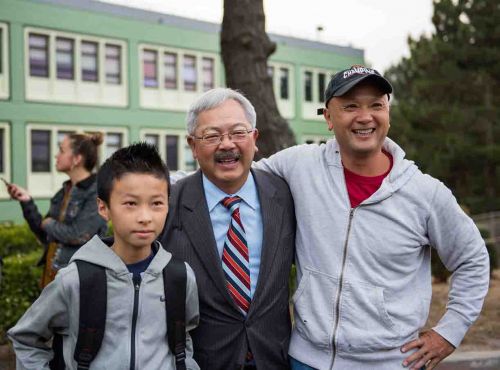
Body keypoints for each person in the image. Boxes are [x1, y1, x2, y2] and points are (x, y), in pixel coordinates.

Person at [255, 65, 490, 370]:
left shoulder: (425, 193)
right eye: (350, 106)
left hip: (392, 363)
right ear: (328, 117)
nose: (365, 116)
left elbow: (472, 260)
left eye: (376, 105)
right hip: (305, 360)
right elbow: (232, 180)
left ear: (388, 114)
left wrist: (449, 333)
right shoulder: (299, 165)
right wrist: (171, 187)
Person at [8, 142, 200, 370]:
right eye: (130, 203)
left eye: (156, 203)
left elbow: (183, 340)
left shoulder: (180, 276)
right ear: (103, 208)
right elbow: (26, 339)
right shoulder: (74, 279)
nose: (145, 217)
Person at [162, 88, 295, 369]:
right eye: (212, 136)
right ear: (193, 146)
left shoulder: (285, 196)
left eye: (238, 132)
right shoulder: (169, 203)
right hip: (199, 361)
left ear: (254, 139)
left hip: (274, 358)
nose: (227, 144)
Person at [7, 133, 107, 287]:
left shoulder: (97, 193)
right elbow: (44, 234)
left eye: (61, 150)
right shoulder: (63, 192)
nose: (56, 155)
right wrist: (26, 201)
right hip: (52, 282)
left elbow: (78, 235)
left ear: (76, 159)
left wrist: (48, 224)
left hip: (78, 285)